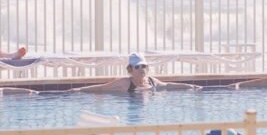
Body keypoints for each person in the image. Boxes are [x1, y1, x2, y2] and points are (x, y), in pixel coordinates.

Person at [72, 53, 200, 93]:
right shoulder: (125, 83)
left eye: (143, 66)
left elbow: (168, 86)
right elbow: (101, 88)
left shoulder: (151, 81)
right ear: (131, 70)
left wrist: (190, 86)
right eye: (137, 67)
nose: (141, 69)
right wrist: (78, 90)